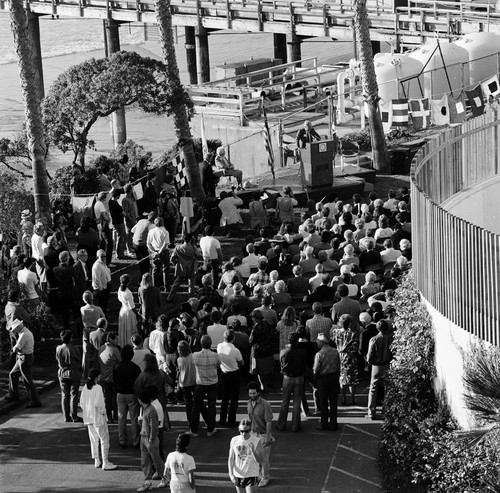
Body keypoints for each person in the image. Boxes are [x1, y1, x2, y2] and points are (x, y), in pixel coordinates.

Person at [80, 368, 117, 470]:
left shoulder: (85, 388)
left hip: (89, 418)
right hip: (98, 418)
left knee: (93, 439)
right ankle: (105, 461)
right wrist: (103, 412)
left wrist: (88, 412)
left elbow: (82, 403)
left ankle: (97, 460)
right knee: (104, 439)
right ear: (97, 377)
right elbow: (99, 403)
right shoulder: (98, 388)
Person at [6, 319, 41, 408]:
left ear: (18, 326)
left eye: (15, 329)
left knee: (27, 380)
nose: (14, 331)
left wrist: (13, 342)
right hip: (23, 357)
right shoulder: (24, 332)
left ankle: (35, 401)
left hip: (24, 358)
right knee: (13, 374)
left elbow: (16, 348)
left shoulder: (23, 335)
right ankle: (13, 395)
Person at [190, 335, 221, 437]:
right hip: (213, 382)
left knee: (196, 406)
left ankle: (194, 430)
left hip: (200, 383)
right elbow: (218, 365)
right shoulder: (216, 355)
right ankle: (210, 430)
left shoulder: (195, 355)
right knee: (212, 406)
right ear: (210, 344)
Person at [136, 388, 166, 491]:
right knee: (145, 461)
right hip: (144, 438)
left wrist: (151, 439)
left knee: (156, 461)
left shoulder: (151, 410)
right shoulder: (147, 409)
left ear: (140, 400)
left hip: (149, 439)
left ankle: (165, 478)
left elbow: (154, 427)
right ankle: (147, 482)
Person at [276, 332, 306, 433]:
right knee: (297, 402)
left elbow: (281, 363)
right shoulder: (302, 352)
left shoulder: (283, 352)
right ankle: (295, 426)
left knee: (285, 401)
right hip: (299, 377)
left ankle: (281, 424)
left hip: (287, 377)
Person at [113, 344, 141, 448]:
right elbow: (138, 383)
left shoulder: (117, 367)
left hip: (120, 394)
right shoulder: (135, 368)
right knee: (134, 418)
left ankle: (122, 440)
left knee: (121, 418)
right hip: (132, 394)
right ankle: (135, 440)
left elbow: (114, 379)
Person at [330, 314, 361, 406]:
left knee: (342, 378)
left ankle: (343, 398)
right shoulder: (353, 334)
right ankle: (352, 399)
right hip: (350, 357)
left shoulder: (335, 332)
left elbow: (332, 343)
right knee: (352, 380)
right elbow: (355, 348)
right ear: (350, 323)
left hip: (339, 356)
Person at [246, 382, 273, 488]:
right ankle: (260, 475)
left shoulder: (265, 404)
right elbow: (250, 418)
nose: (252, 395)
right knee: (255, 458)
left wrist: (267, 436)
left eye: (254, 393)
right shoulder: (249, 403)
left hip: (263, 435)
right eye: (250, 393)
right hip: (253, 434)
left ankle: (266, 477)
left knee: (264, 459)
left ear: (258, 393)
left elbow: (269, 421)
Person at [228, 418, 265, 493]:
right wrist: (231, 475)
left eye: (246, 431)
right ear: (239, 429)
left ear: (250, 430)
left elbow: (260, 460)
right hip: (238, 474)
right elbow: (231, 458)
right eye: (241, 431)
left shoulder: (256, 440)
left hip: (251, 474)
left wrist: (253, 451)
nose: (244, 434)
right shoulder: (234, 440)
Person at [366, 319, 393, 420]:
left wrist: (370, 362)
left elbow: (369, 356)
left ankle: (371, 412)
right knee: (387, 388)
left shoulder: (374, 339)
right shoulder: (390, 338)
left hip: (376, 366)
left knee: (373, 388)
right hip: (387, 364)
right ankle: (386, 410)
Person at [313, 333, 340, 431]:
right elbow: (338, 366)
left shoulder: (319, 354)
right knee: (333, 402)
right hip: (333, 377)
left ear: (321, 342)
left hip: (323, 379)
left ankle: (324, 424)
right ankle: (333, 424)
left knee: (323, 402)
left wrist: (314, 380)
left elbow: (316, 370)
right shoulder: (335, 352)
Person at [217, 329, 244, 428]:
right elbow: (242, 363)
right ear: (233, 338)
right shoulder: (235, 350)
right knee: (234, 398)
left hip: (224, 373)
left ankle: (222, 419)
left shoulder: (219, 346)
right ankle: (231, 420)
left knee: (225, 397)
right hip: (234, 374)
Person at [55, 329, 83, 422]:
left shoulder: (58, 348)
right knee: (74, 395)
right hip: (73, 372)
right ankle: (74, 416)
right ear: (70, 338)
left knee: (64, 395)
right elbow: (79, 358)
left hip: (62, 373)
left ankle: (66, 416)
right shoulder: (74, 349)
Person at [167, 233, 199, 302]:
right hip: (191, 268)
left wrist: (176, 264)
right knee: (191, 285)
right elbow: (197, 255)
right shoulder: (193, 247)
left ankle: (170, 297)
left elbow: (172, 258)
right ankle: (190, 300)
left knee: (176, 284)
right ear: (191, 239)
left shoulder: (178, 247)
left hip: (181, 268)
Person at [53, 250, 79, 332]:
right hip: (71, 293)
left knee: (65, 313)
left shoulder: (55, 269)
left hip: (61, 293)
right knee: (76, 312)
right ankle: (79, 329)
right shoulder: (70, 269)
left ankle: (67, 328)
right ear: (67, 258)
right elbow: (76, 280)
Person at [98, 331, 121, 423]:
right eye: (116, 339)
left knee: (107, 398)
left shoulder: (101, 348)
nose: (117, 341)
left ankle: (109, 417)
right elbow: (121, 361)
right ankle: (115, 416)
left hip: (103, 377)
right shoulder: (114, 350)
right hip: (113, 377)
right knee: (114, 397)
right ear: (111, 340)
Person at [147, 217, 170, 291]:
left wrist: (154, 252)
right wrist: (159, 252)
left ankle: (155, 286)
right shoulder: (165, 232)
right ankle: (167, 287)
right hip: (163, 252)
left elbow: (148, 244)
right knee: (165, 270)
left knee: (155, 270)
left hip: (155, 251)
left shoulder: (151, 231)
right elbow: (165, 244)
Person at [132, 212, 156, 276]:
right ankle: (144, 279)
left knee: (141, 262)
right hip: (141, 245)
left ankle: (143, 276)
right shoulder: (151, 225)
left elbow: (133, 230)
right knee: (146, 264)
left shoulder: (141, 221)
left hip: (135, 243)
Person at [117, 274, 137, 349]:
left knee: (124, 329)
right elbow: (132, 306)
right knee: (129, 329)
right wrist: (137, 314)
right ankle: (130, 345)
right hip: (128, 312)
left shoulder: (120, 289)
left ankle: (123, 344)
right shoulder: (128, 293)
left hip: (123, 310)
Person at [94, 191, 113, 265]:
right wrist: (108, 218)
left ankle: (101, 260)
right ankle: (107, 262)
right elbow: (104, 217)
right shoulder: (100, 204)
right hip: (104, 226)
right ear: (104, 198)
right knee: (110, 243)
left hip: (100, 226)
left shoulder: (96, 203)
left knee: (102, 244)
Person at [92, 249, 112, 315]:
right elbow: (96, 280)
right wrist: (101, 289)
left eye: (105, 256)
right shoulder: (96, 266)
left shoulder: (103, 264)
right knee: (101, 306)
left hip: (106, 286)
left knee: (105, 304)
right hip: (101, 289)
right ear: (97, 257)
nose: (104, 258)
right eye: (102, 257)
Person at [109, 189, 127, 259]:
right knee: (120, 239)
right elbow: (124, 214)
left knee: (119, 238)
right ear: (117, 196)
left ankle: (120, 253)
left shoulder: (110, 201)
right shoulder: (116, 205)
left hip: (114, 222)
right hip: (119, 223)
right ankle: (119, 254)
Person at [122, 184, 139, 257]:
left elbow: (136, 199)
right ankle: (129, 250)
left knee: (133, 235)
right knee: (128, 235)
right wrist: (130, 219)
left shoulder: (132, 198)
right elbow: (125, 212)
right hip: (129, 220)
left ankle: (132, 248)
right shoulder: (125, 199)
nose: (133, 190)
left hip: (134, 219)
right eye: (132, 189)